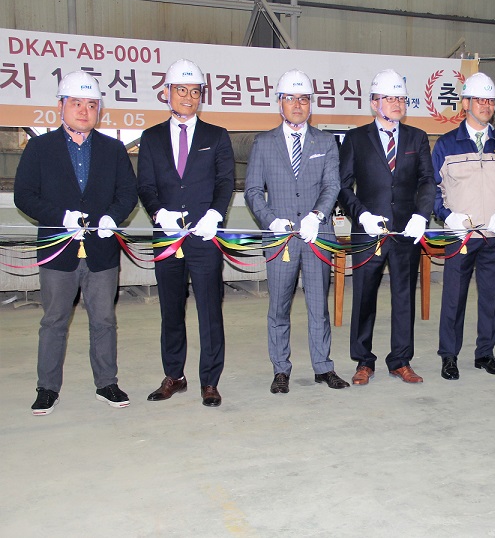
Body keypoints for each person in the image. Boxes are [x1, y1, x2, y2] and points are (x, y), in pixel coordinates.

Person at [14, 71, 137, 415]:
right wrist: (60, 217)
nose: (84, 110)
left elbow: (127, 193)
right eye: (77, 103)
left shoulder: (113, 149)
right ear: (61, 105)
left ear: (99, 110)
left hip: (101, 251)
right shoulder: (40, 148)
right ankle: (47, 388)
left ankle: (107, 383)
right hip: (58, 250)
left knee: (104, 320)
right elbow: (24, 195)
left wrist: (113, 217)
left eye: (92, 104)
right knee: (54, 320)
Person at [244, 69, 350, 394]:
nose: (297, 104)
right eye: (290, 98)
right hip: (281, 240)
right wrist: (270, 220)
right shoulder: (264, 143)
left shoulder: (326, 142)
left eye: (303, 98)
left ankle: (323, 367)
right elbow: (252, 190)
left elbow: (332, 184)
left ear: (310, 104)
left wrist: (317, 216)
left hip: (317, 236)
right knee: (279, 308)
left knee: (319, 307)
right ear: (280, 102)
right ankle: (280, 370)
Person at [137, 59, 235, 407]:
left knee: (209, 310)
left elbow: (225, 181)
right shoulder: (151, 137)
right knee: (171, 309)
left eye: (195, 92)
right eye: (181, 90)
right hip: (167, 236)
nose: (188, 97)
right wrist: (157, 212)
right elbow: (145, 185)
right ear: (167, 93)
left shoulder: (216, 135)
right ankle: (174, 376)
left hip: (204, 236)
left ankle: (210, 381)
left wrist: (214, 214)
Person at [338, 69, 436, 385]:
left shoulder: (417, 137)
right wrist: (362, 216)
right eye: (390, 98)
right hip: (368, 233)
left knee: (404, 296)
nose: (397, 103)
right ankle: (363, 361)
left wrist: (421, 215)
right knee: (364, 296)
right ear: (374, 102)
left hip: (406, 232)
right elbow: (342, 186)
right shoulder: (356, 139)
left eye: (401, 98)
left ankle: (401, 360)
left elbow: (427, 180)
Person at [432, 72, 495, 380]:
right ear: (466, 103)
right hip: (460, 236)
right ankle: (449, 356)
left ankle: (485, 353)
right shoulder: (447, 144)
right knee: (453, 299)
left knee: (491, 298)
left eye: (490, 101)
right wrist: (447, 216)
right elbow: (431, 188)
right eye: (480, 100)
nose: (486, 106)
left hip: (493, 236)